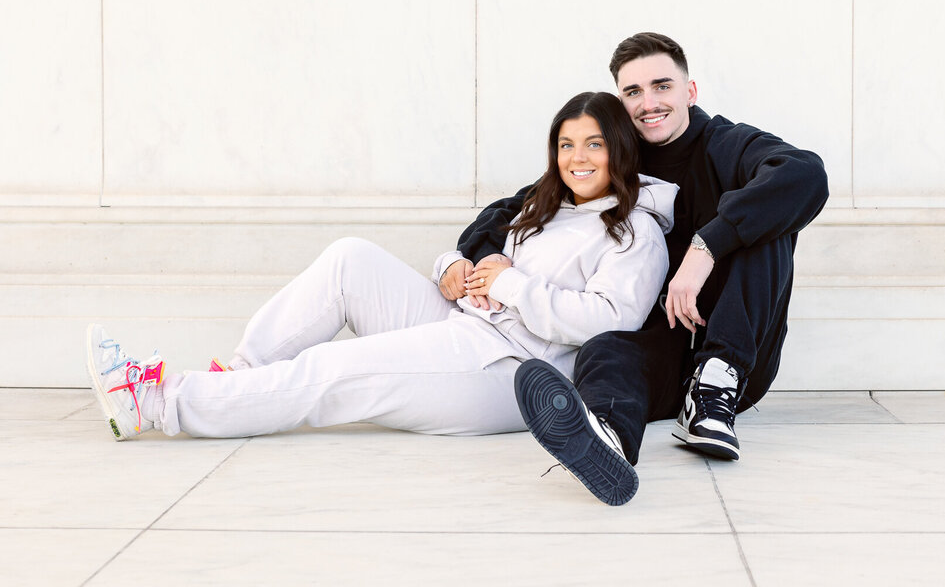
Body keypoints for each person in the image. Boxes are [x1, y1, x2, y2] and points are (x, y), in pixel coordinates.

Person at [85, 91, 674, 446]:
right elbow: (488, 263)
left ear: (618, 148)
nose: (577, 158)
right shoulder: (547, 206)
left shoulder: (636, 231)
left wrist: (512, 284)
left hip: (510, 369)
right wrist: (457, 267)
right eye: (566, 145)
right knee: (349, 259)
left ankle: (159, 404)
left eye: (593, 144)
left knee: (335, 368)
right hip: (467, 325)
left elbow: (607, 323)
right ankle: (237, 377)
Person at [457, 32, 828, 505]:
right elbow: (518, 205)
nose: (648, 103)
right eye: (633, 92)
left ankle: (713, 390)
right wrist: (485, 255)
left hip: (736, 352)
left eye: (662, 87)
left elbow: (806, 173)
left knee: (773, 211)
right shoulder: (615, 154)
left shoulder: (725, 144)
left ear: (689, 92)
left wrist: (705, 247)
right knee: (605, 349)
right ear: (620, 100)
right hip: (660, 348)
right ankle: (605, 439)